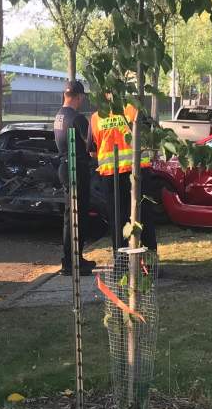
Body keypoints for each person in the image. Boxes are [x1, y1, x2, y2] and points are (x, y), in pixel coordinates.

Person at [90, 95, 157, 258]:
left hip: (111, 176)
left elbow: (92, 151)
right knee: (145, 217)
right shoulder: (135, 109)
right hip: (138, 172)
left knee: (117, 220)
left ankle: (121, 264)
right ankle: (150, 262)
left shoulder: (96, 117)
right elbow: (150, 138)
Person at [53, 80, 96, 276]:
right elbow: (91, 148)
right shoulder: (77, 118)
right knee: (78, 217)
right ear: (78, 97)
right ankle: (73, 262)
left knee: (69, 217)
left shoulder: (59, 116)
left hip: (64, 167)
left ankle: (70, 259)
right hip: (76, 169)